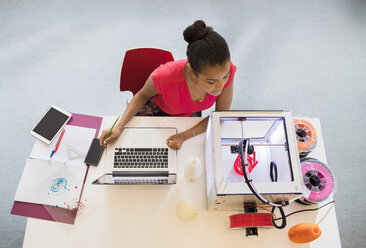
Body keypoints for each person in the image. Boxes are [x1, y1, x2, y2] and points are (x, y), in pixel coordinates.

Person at [99, 20, 236, 150]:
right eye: (211, 81)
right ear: (192, 73)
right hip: (158, 111)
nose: (220, 86)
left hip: (187, 116)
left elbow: (220, 116)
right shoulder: (164, 77)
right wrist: (119, 126)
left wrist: (184, 136)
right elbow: (142, 95)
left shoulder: (225, 70)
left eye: (225, 76)